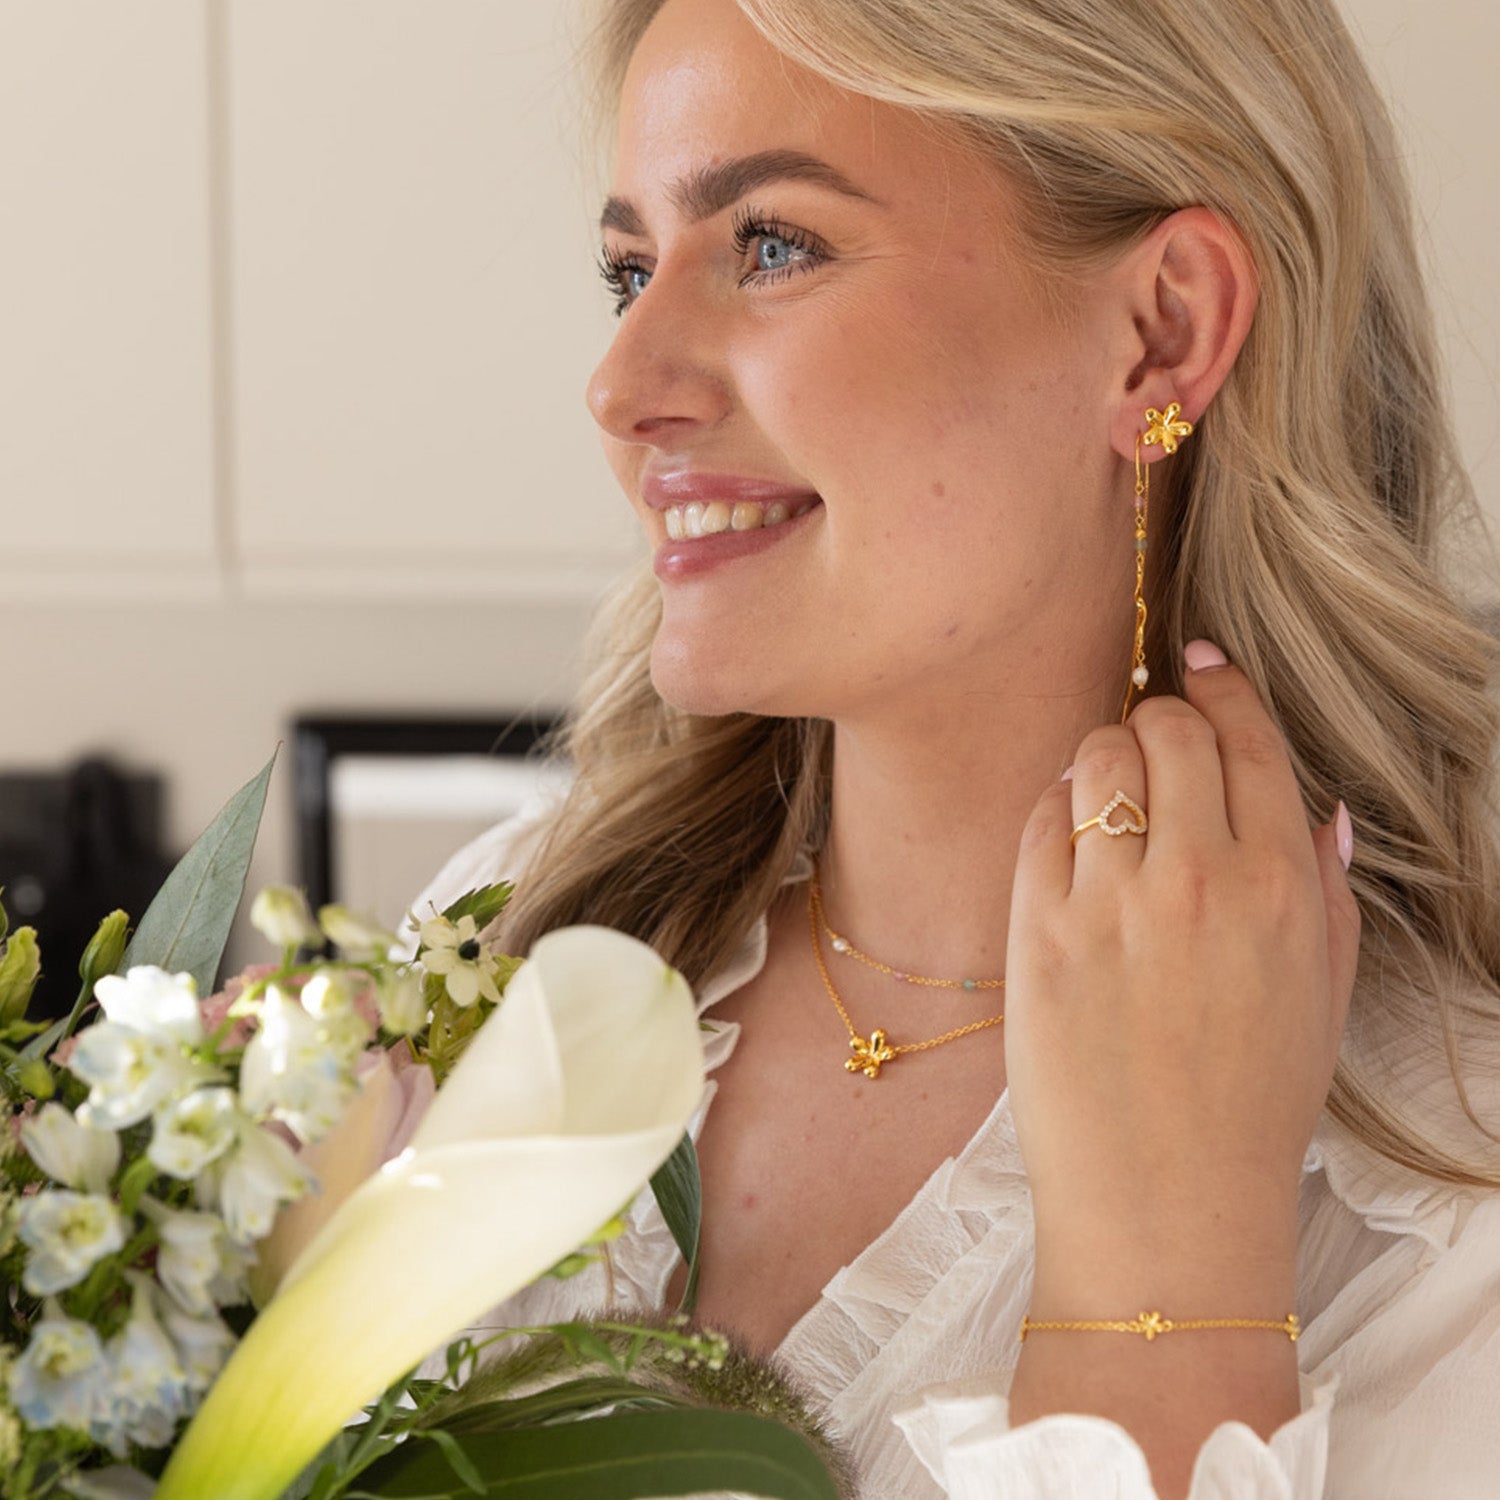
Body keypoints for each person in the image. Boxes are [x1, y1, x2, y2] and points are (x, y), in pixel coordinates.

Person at [411, 0, 1500, 1493]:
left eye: (771, 246)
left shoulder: (1446, 1192)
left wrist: (1165, 1291)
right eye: (628, 272)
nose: (621, 388)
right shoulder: (502, 941)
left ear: (1162, 330)